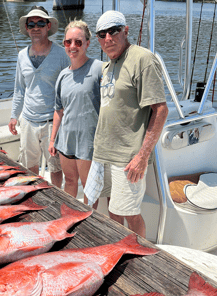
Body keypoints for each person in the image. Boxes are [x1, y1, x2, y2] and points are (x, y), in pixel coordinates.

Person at [84, 10, 168, 237]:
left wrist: (142, 157)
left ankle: (139, 256)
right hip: (103, 154)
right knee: (113, 209)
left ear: (126, 31)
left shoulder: (142, 59)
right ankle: (119, 246)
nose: (108, 38)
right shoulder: (108, 65)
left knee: (130, 213)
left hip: (126, 157)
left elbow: (160, 110)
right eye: (102, 34)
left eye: (114, 31)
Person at [8, 6, 70, 188]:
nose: (36, 27)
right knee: (29, 166)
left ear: (48, 26)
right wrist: (14, 115)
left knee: (55, 167)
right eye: (32, 24)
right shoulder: (21, 56)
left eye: (41, 23)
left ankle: (58, 195)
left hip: (53, 122)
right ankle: (33, 194)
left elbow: (69, 88)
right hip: (27, 120)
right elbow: (19, 88)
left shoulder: (61, 54)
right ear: (27, 28)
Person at [48, 20, 102, 204]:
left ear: (87, 43)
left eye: (78, 42)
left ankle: (88, 222)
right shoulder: (63, 75)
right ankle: (69, 216)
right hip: (66, 141)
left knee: (89, 188)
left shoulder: (98, 69)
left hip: (88, 143)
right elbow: (58, 110)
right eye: (68, 42)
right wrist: (53, 139)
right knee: (69, 182)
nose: (73, 46)